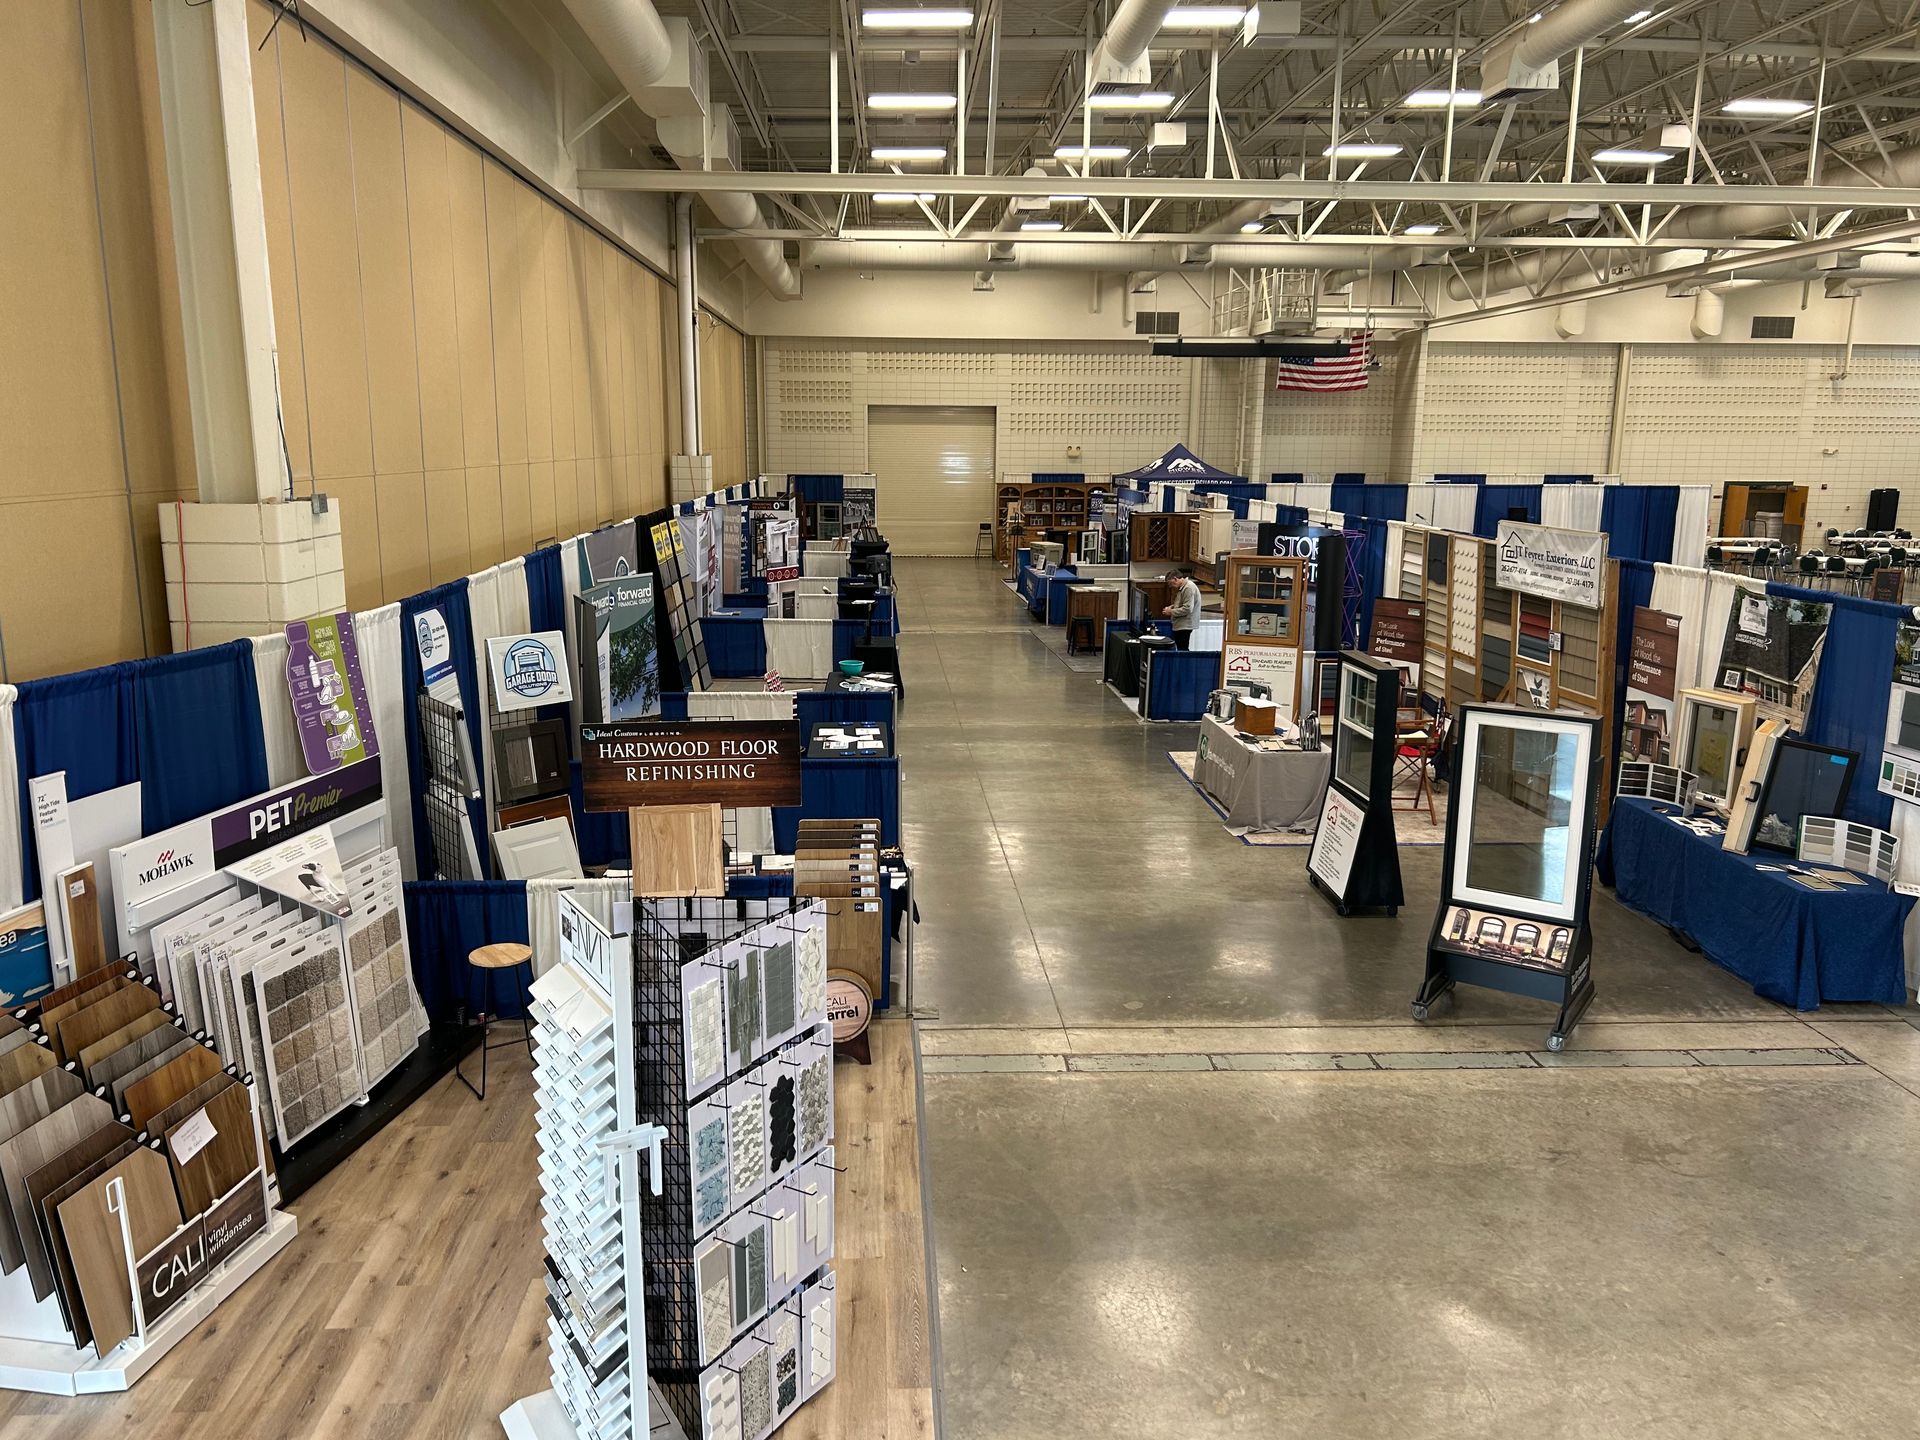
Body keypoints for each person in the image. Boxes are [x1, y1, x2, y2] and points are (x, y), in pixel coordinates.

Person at [1162, 568, 1200, 650]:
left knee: (1183, 649)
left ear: (1175, 579)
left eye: (1170, 583)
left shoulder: (1188, 588)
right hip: (1181, 624)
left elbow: (1187, 608)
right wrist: (1172, 607)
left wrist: (1171, 612)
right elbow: (1182, 603)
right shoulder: (1183, 587)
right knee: (1181, 648)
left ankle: (1185, 663)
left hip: (1185, 625)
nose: (1170, 586)